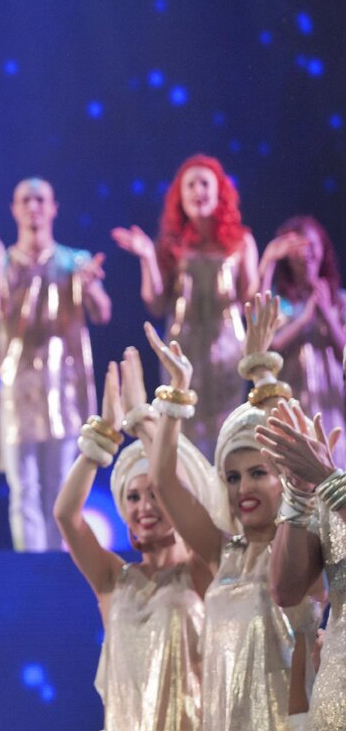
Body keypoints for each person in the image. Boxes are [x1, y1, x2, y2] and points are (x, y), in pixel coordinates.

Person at [147, 295, 318, 728]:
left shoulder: (305, 550)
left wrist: (261, 368)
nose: (244, 487)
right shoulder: (222, 553)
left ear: (284, 475)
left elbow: (295, 446)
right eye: (233, 476)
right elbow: (164, 481)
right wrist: (177, 394)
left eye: (258, 473)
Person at [54, 352, 223, 730]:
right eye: (133, 497)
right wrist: (102, 437)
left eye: (155, 494)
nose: (144, 506)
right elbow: (66, 515)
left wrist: (141, 418)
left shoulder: (203, 568)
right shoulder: (114, 579)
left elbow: (174, 484)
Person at [0, 177, 111, 551]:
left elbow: (103, 312)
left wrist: (89, 286)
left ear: (54, 207)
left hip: (63, 387)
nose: (33, 207)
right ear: (14, 209)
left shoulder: (74, 261)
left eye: (40, 199)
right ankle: (29, 565)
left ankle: (61, 564)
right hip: (18, 387)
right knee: (23, 487)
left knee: (61, 484)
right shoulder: (2, 263)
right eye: (25, 200)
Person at [112, 153, 259, 457]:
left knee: (227, 430)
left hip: (228, 351)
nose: (197, 191)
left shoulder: (241, 241)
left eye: (204, 183)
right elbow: (156, 303)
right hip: (183, 350)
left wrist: (268, 261)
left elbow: (250, 297)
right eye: (190, 185)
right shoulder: (171, 244)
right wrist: (147, 256)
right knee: (184, 426)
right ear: (179, 196)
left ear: (219, 191)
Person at [260, 393, 346, 729]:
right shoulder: (334, 487)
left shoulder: (335, 483)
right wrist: (299, 491)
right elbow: (286, 589)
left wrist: (329, 480)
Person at [261, 216, 346, 457]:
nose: (306, 253)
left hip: (333, 407)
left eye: (312, 245)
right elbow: (265, 344)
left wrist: (327, 314)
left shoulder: (339, 301)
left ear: (323, 249)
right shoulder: (280, 304)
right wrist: (305, 318)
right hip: (292, 405)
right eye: (299, 246)